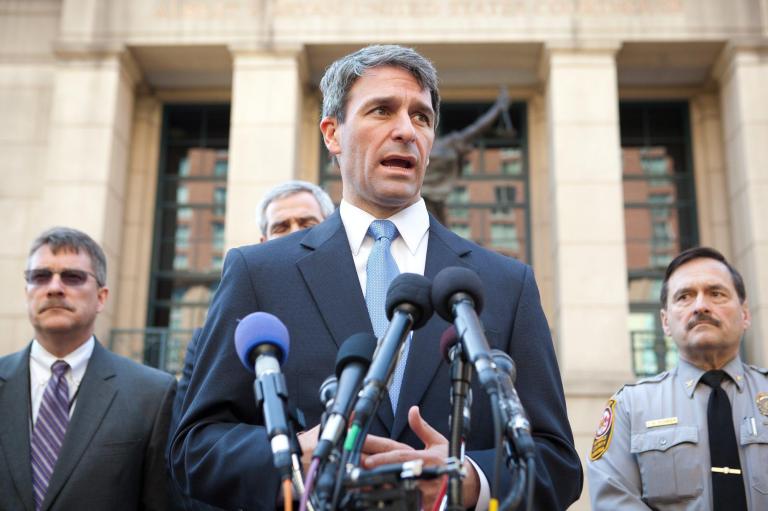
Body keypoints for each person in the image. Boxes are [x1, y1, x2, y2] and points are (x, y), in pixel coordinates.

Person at [171, 44, 582, 510]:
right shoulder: (258, 272)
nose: (406, 131)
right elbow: (195, 449)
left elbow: (557, 462)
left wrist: (468, 478)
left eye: (422, 118)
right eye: (382, 111)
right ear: (333, 133)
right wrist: (290, 456)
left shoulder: (505, 283)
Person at [169, 181, 334, 510]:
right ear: (262, 242)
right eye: (281, 227)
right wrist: (287, 454)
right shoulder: (211, 339)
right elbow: (195, 449)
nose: (294, 234)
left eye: (307, 225)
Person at [0, 226, 176, 511]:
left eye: (72, 277)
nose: (54, 287)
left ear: (102, 297)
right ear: (26, 292)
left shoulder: (152, 395)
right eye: (40, 276)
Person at [587, 246, 768, 510]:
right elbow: (615, 501)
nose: (701, 306)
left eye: (716, 294)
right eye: (685, 296)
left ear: (745, 314)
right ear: (665, 322)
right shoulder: (630, 408)